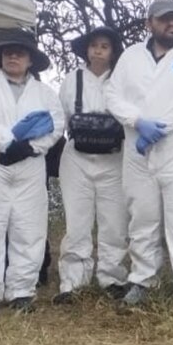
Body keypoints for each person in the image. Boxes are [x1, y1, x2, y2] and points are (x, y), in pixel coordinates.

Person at [105, 0, 173, 322]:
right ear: (149, 23)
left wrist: (161, 127)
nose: (172, 24)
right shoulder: (131, 57)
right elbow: (113, 95)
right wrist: (139, 122)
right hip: (138, 147)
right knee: (142, 217)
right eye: (165, 19)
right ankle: (143, 280)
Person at [0, 28, 65, 314]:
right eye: (8, 51)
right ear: (1, 56)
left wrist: (31, 148)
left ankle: (22, 290)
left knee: (29, 229)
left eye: (20, 52)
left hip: (29, 167)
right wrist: (8, 143)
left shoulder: (46, 93)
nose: (13, 56)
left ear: (30, 59)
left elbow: (57, 125)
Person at [52, 26, 128, 305]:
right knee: (77, 222)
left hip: (113, 159)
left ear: (112, 52)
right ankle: (72, 282)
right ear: (86, 49)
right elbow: (61, 119)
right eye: (94, 45)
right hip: (77, 159)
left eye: (105, 46)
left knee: (114, 222)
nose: (98, 50)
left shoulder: (121, 80)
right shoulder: (72, 79)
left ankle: (112, 278)